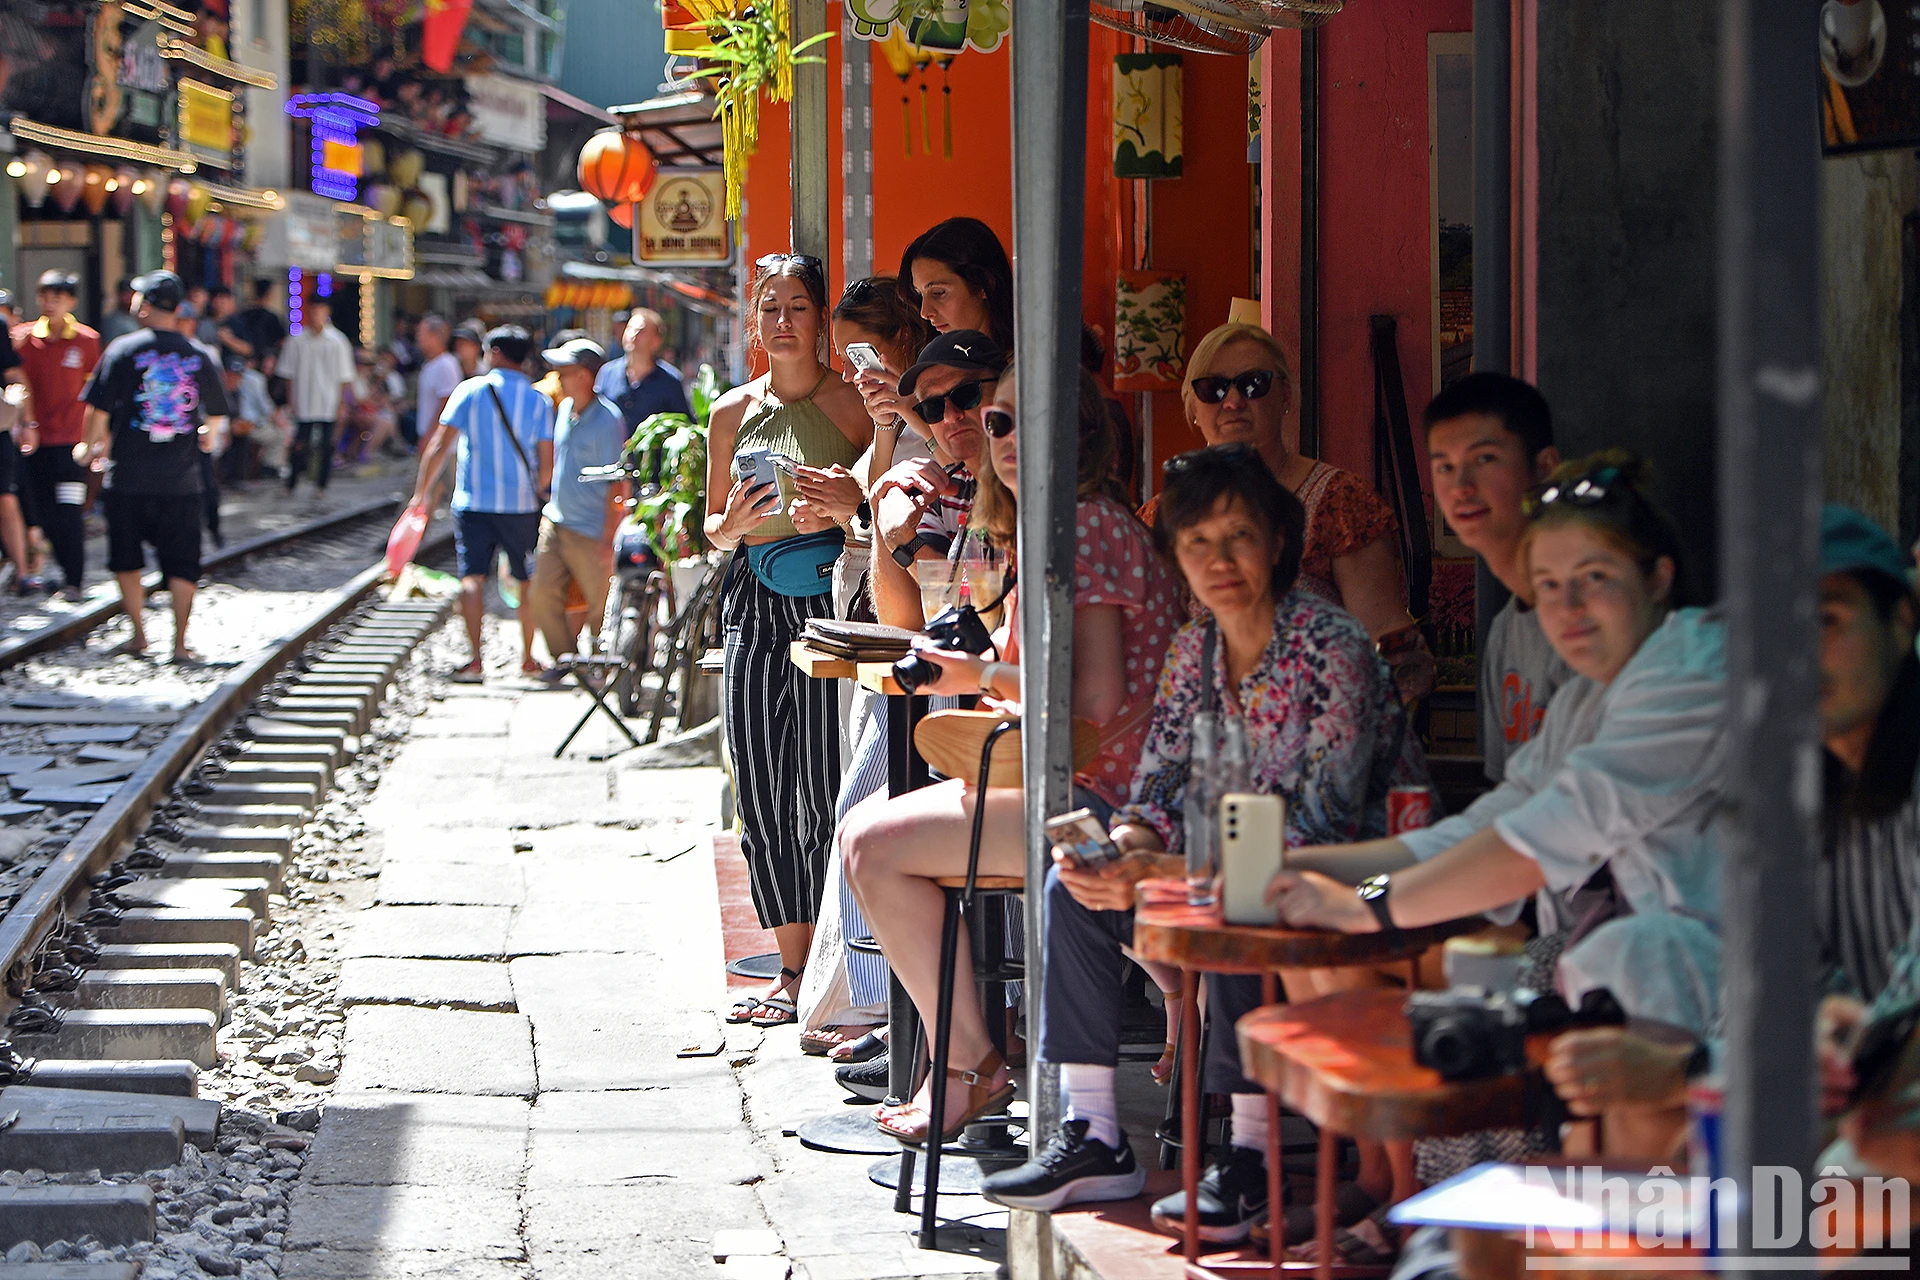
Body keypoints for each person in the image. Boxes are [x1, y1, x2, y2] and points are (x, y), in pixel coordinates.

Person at [978, 442, 1426, 1239]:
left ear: (1279, 543)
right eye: (1196, 543)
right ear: (1176, 559)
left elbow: (1316, 828)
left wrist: (1172, 866)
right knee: (1071, 886)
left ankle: (1249, 1161)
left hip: (1347, 880)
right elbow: (1156, 781)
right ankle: (1096, 1135)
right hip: (1223, 871)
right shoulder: (1196, 647)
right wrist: (1124, 844)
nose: (1218, 561)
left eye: (1238, 537)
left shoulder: (1333, 647)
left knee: (1247, 905)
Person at [1271, 452, 1727, 1128]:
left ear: (1658, 578)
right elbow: (1481, 826)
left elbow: (1533, 844)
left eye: (1593, 579)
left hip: (1739, 1006)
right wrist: (1309, 872)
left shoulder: (1690, 673)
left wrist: (1361, 907)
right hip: (1633, 978)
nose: (1567, 609)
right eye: (1548, 587)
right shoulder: (1587, 698)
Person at [842, 364, 1185, 1147]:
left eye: (1021, 420)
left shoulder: (1086, 525)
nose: (1002, 438)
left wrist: (975, 675)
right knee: (870, 834)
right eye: (995, 424)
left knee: (868, 844)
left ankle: (969, 1063)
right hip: (1080, 786)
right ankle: (1155, 999)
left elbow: (1091, 704)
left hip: (1101, 802)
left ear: (1077, 432)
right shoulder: (1062, 524)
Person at [705, 253, 871, 1028]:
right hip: (752, 596)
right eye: (769, 307)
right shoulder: (731, 412)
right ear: (753, 322)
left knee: (819, 776)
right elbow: (711, 525)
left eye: (798, 306)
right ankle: (791, 962)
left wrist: (836, 511)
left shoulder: (852, 407)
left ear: (822, 320)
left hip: (829, 600)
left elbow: (873, 505)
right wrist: (729, 527)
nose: (783, 321)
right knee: (760, 782)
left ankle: (838, 962)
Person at [1154, 323, 1435, 702]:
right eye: (1213, 389)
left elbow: (1387, 642)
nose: (1233, 401)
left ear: (1285, 395)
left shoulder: (1339, 500)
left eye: (1253, 384)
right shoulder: (1161, 514)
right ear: (1193, 407)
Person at [77, 269, 231, 663]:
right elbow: (215, 411)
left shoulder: (122, 350)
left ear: (144, 305)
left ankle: (139, 634)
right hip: (182, 479)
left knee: (126, 557)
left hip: (127, 475)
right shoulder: (197, 354)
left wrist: (88, 446)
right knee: (183, 561)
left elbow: (97, 407)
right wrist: (207, 435)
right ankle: (180, 643)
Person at [1425, 373, 1572, 782]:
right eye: (1445, 467)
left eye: (1484, 459)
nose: (1461, 487)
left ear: (1544, 468)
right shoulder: (1507, 630)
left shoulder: (1591, 618)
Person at [409, 325, 554, 682]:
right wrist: (538, 488)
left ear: (497, 354)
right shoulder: (539, 401)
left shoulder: (470, 390)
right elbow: (547, 460)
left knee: (472, 578)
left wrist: (421, 494)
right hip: (520, 505)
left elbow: (439, 446)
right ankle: (528, 660)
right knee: (525, 580)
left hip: (473, 502)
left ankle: (475, 662)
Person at [527, 338, 628, 678]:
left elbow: (618, 482)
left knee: (601, 605)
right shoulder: (564, 411)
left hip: (592, 530)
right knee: (541, 595)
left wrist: (608, 538)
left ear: (585, 376)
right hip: (556, 522)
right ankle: (566, 660)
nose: (558, 378)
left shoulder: (608, 421)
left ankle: (602, 666)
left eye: (565, 371)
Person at [11, 269, 99, 600]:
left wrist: (96, 441)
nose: (50, 304)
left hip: (72, 444)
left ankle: (74, 579)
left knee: (69, 511)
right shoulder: (22, 338)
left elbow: (96, 395)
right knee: (42, 512)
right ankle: (54, 573)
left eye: (57, 298)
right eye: (45, 296)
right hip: (33, 444)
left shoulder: (87, 341)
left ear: (71, 301)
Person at [897, 217, 1014, 348]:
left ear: (985, 284)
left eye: (938, 293)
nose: (924, 312)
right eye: (919, 294)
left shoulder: (1029, 363)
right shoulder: (933, 360)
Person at [278, 296, 355, 495]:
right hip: (304, 399)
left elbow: (344, 377)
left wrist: (341, 403)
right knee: (299, 443)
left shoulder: (337, 341)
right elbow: (288, 375)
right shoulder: (297, 341)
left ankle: (321, 484)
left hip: (328, 400)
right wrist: (291, 399)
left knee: (326, 445)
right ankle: (292, 482)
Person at [595, 308, 690, 433]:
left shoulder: (671, 381)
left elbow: (682, 425)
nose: (633, 335)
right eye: (630, 329)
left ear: (656, 341)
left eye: (641, 331)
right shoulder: (607, 373)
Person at [413, 315, 463, 458]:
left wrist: (430, 436)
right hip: (434, 441)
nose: (418, 337)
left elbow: (446, 404)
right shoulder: (430, 364)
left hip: (444, 446)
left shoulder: (446, 365)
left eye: (421, 333)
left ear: (434, 337)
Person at [231, 279, 285, 364]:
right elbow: (281, 341)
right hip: (266, 363)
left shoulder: (242, 315)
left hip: (245, 361)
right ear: (269, 294)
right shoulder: (272, 318)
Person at [99, 279, 138, 345]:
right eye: (126, 294)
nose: (130, 297)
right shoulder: (112, 321)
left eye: (133, 293)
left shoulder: (142, 316)